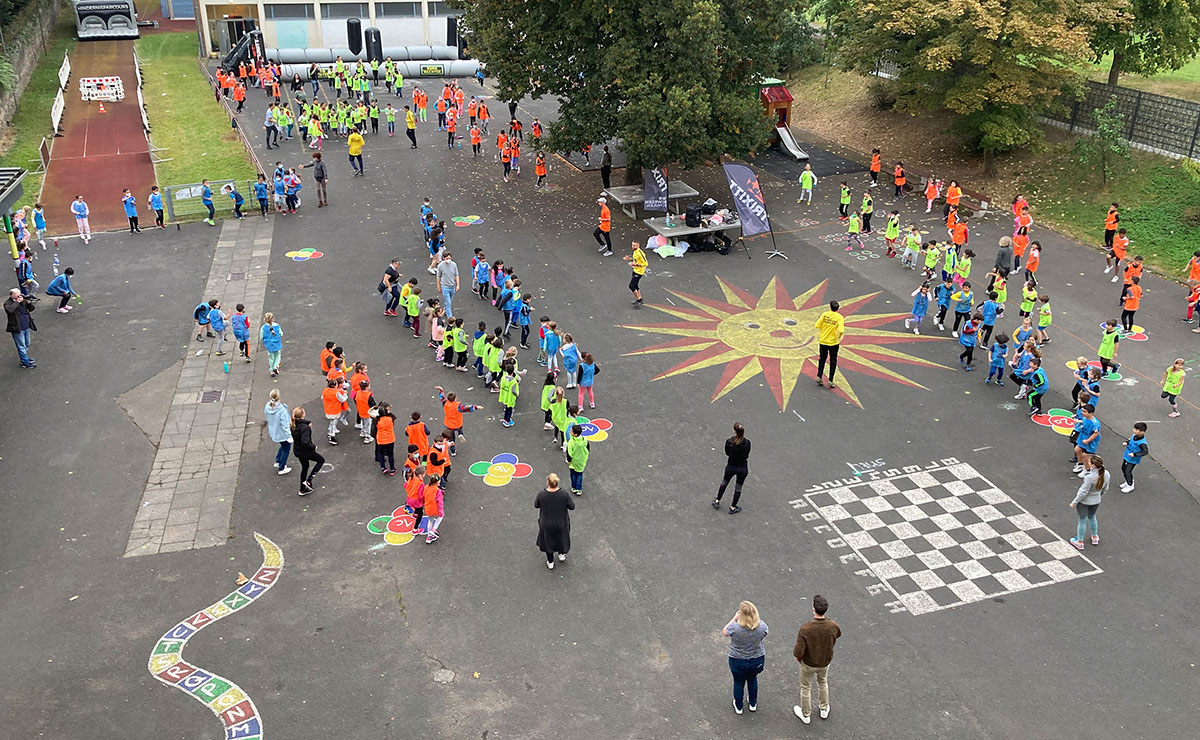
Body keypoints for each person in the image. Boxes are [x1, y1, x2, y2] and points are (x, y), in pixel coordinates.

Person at [792, 594, 841, 724]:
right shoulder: (833, 626)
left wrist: (799, 658)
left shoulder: (806, 629)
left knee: (806, 687)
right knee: (823, 683)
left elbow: (797, 651)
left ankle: (806, 714)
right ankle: (824, 709)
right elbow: (838, 634)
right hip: (824, 662)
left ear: (813, 609)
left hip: (808, 663)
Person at [723, 600, 768, 715]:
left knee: (738, 682)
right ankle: (753, 703)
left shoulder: (735, 628)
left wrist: (734, 618)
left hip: (737, 660)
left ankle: (738, 706)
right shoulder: (761, 626)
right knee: (752, 679)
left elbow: (725, 632)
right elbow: (765, 633)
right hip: (756, 659)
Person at [535, 473, 574, 569]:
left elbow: (536, 505)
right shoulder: (564, 494)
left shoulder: (542, 494)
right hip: (561, 522)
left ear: (548, 482)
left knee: (548, 541)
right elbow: (572, 506)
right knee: (561, 538)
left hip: (546, 523)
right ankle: (561, 554)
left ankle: (550, 561)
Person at [1069, 455, 1109, 549]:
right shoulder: (1106, 474)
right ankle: (1095, 537)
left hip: (1085, 502)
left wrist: (1074, 502)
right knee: (1092, 517)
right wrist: (1099, 496)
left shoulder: (1090, 478)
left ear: (1093, 465)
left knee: (1082, 520)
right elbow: (1106, 488)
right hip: (1096, 500)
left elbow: (1083, 492)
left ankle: (1080, 541)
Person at [712, 422, 750, 514]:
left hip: (731, 466)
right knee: (738, 487)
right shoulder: (747, 443)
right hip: (742, 468)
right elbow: (747, 454)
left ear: (734, 431)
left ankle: (717, 500)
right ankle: (733, 507)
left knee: (724, 482)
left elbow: (727, 453)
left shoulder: (729, 442)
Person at [292, 407, 326, 495]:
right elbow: (305, 442)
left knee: (305, 467)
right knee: (321, 460)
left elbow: (301, 425)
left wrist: (308, 424)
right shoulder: (305, 428)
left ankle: (302, 489)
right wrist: (313, 447)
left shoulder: (293, 425)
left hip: (298, 451)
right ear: (303, 414)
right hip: (305, 451)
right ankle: (309, 480)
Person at [814, 301, 844, 388]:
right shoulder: (839, 317)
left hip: (823, 341)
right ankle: (830, 380)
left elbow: (817, 325)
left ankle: (819, 376)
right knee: (833, 361)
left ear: (830, 307)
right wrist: (838, 336)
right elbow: (841, 330)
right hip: (833, 343)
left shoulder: (825, 314)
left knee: (822, 359)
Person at [5, 289, 37, 369]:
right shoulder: (8, 303)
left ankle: (24, 358)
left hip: (26, 326)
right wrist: (17, 302)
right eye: (17, 295)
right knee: (21, 346)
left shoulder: (23, 301)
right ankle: (25, 362)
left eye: (20, 294)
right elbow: (10, 310)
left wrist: (29, 302)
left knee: (27, 343)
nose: (19, 296)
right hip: (17, 328)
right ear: (12, 295)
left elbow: (32, 309)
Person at [264, 389, 293, 475]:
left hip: (274, 431)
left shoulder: (267, 406)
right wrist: (289, 436)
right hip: (281, 433)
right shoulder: (281, 411)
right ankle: (281, 467)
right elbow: (285, 425)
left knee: (283, 446)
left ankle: (278, 461)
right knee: (286, 448)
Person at [622, 240, 647, 307]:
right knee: (635, 285)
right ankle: (640, 298)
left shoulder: (640, 253)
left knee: (631, 286)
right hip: (635, 270)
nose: (633, 246)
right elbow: (635, 259)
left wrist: (635, 264)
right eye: (632, 245)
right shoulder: (635, 252)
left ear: (638, 245)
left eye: (634, 245)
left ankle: (639, 299)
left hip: (639, 272)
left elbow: (645, 263)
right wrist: (629, 259)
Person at [437, 252, 460, 318]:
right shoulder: (440, 266)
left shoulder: (454, 264)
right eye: (447, 258)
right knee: (448, 302)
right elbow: (438, 277)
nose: (448, 259)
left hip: (452, 286)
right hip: (445, 286)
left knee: (449, 301)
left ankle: (445, 310)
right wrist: (438, 286)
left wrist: (458, 284)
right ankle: (450, 317)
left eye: (449, 258)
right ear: (443, 258)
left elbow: (456, 275)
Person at [260, 312, 283, 377]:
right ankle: (276, 366)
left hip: (269, 345)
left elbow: (261, 337)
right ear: (273, 318)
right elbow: (281, 333)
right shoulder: (277, 326)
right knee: (278, 355)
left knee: (271, 358)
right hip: (277, 344)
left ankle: (271, 371)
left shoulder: (263, 328)